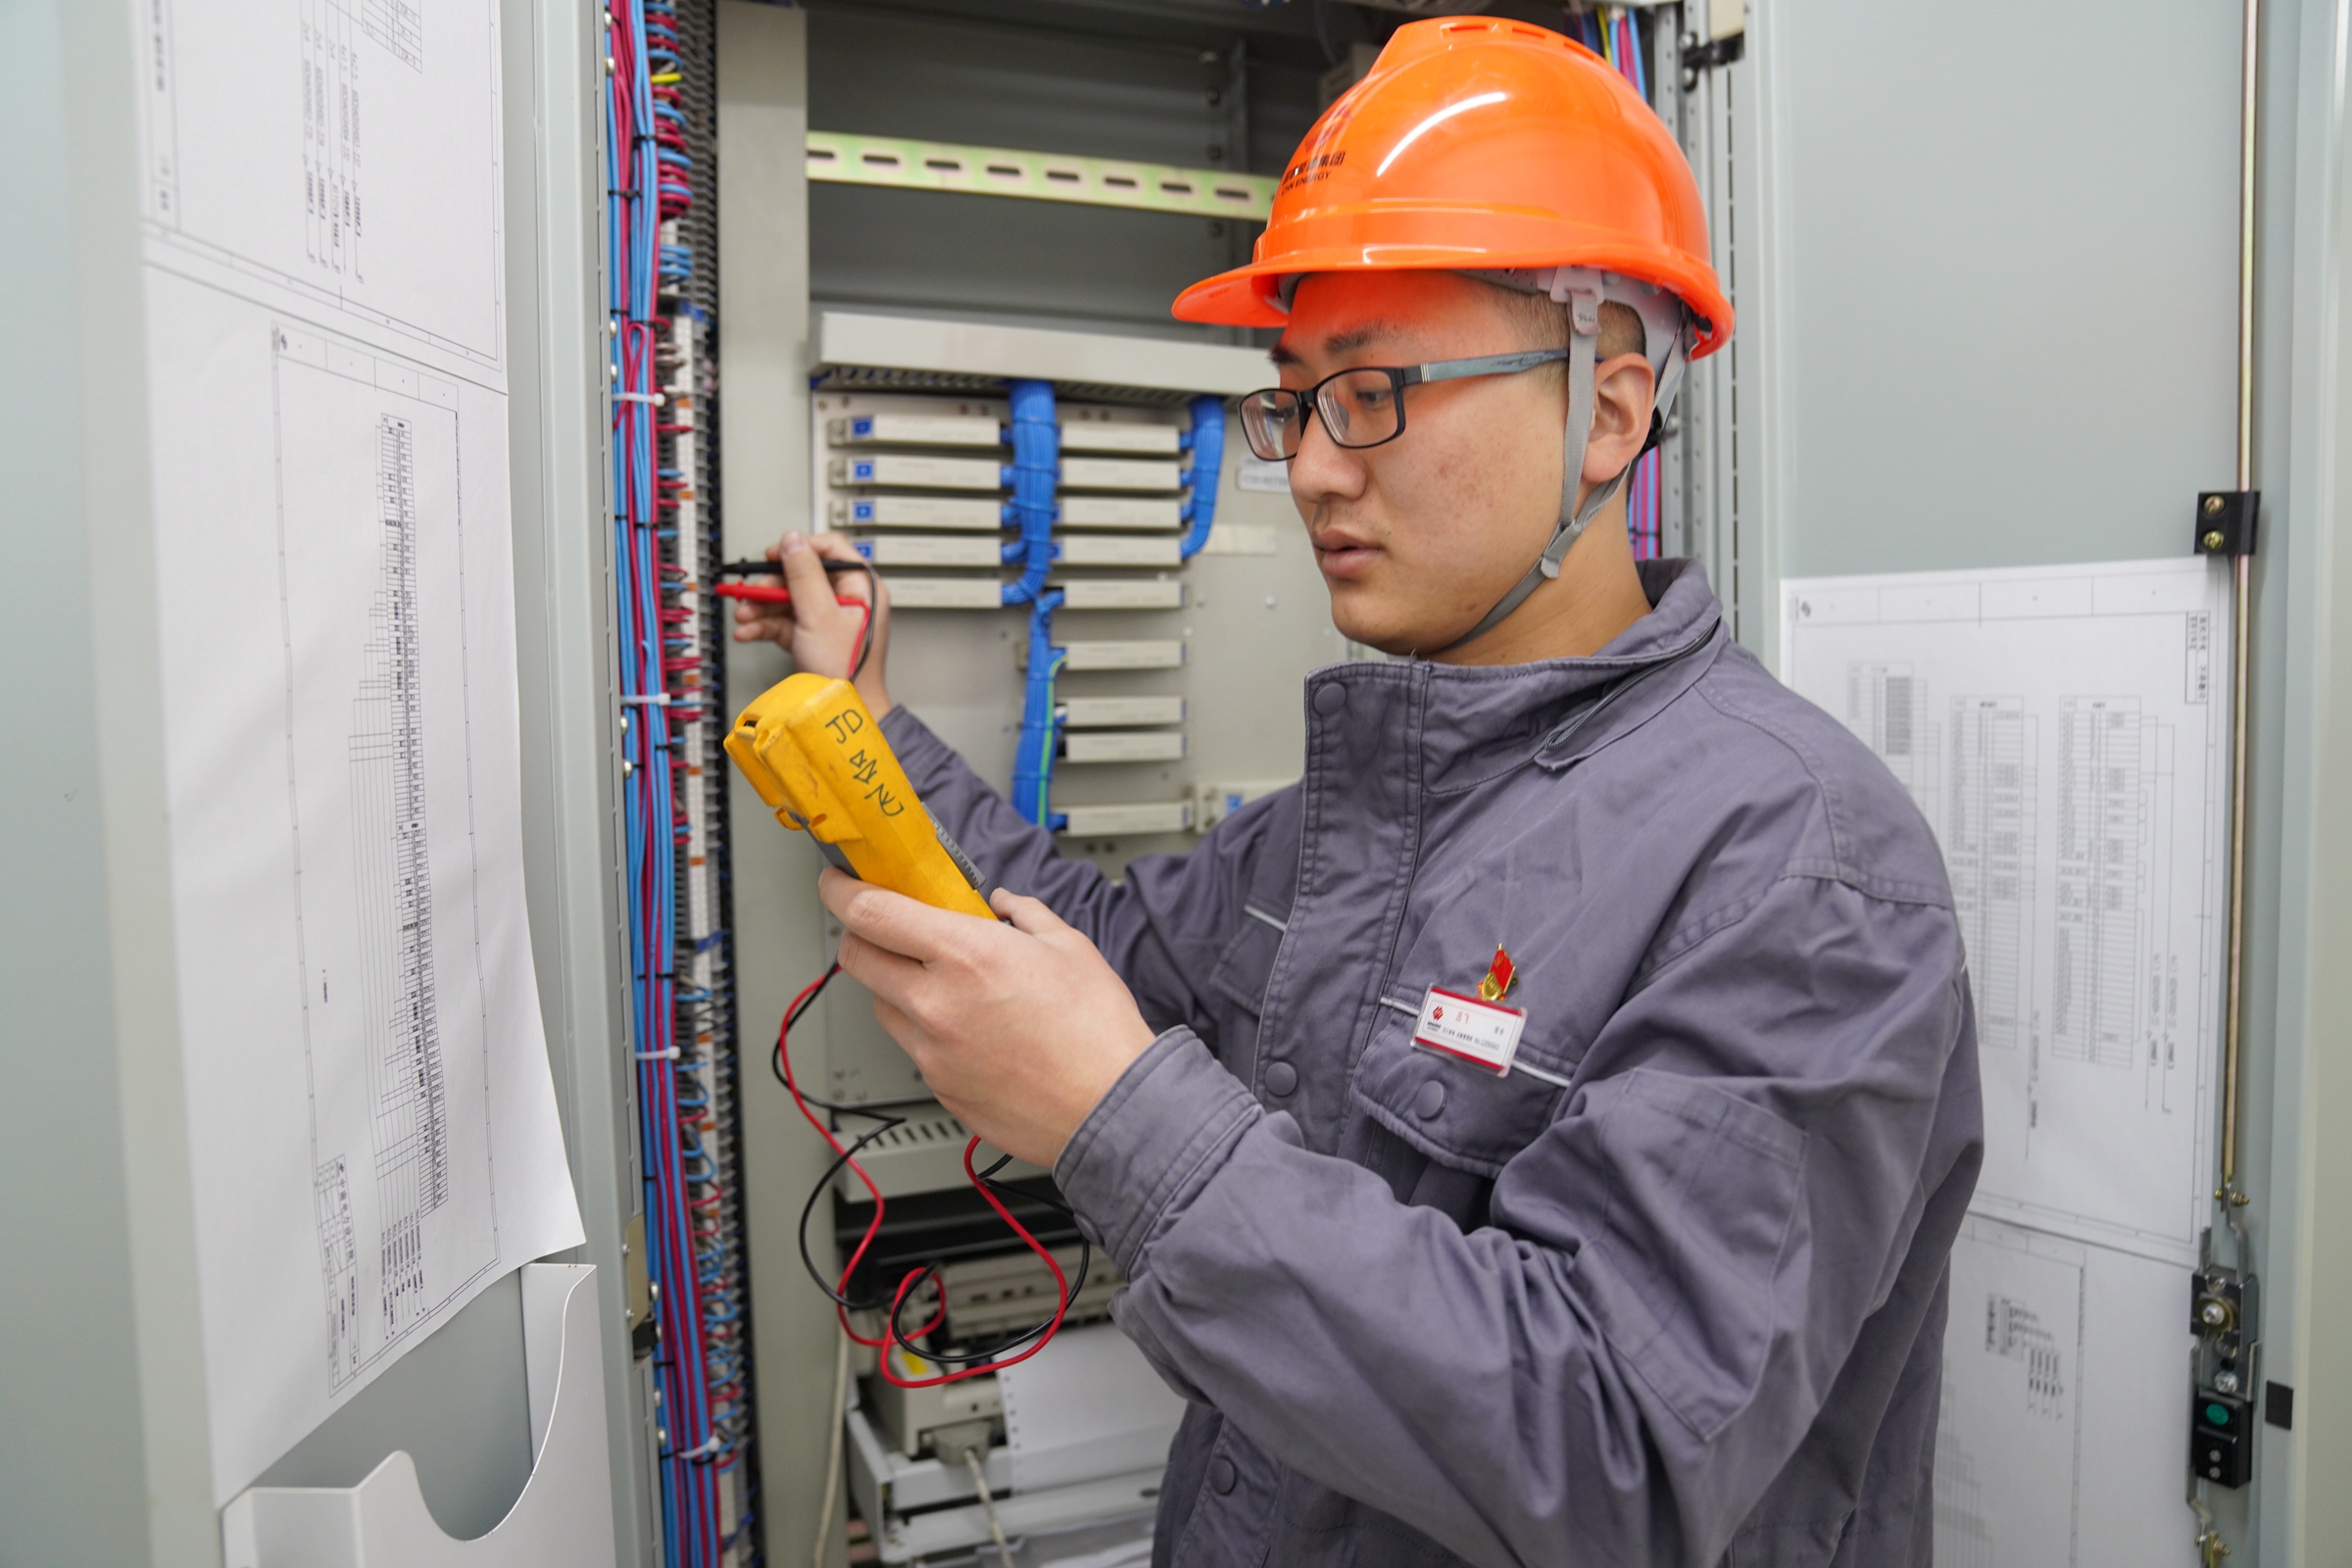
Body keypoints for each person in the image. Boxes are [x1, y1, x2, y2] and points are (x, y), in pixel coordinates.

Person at [735, 20, 1980, 1566]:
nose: (1316, 469)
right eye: (1297, 401)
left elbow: (1614, 1452)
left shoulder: (1797, 868)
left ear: (1608, 413)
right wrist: (870, 725)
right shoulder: (1369, 812)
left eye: (1377, 391)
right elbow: (1092, 953)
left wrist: (1120, 1120)